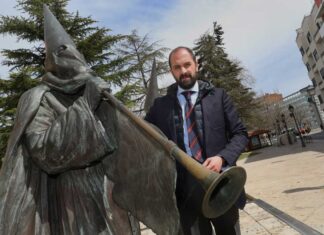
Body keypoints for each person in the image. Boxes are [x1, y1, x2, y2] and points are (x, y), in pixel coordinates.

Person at [0, 5, 180, 235]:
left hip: (111, 193)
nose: (73, 58)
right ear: (53, 60)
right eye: (64, 52)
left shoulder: (89, 88)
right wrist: (86, 104)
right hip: (74, 202)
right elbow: (44, 151)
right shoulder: (38, 98)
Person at [145, 46, 248, 235]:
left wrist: (222, 158)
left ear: (196, 65)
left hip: (221, 188)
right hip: (186, 196)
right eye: (177, 67)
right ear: (171, 71)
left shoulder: (219, 97)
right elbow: (141, 136)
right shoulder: (159, 107)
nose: (183, 71)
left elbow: (240, 133)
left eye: (187, 65)